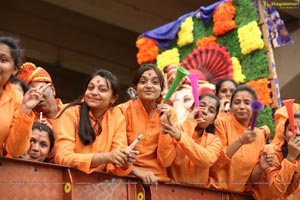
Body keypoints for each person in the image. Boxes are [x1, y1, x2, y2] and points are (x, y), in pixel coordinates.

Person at [53, 69, 138, 175]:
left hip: (98, 186)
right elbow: (63, 157)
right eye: (90, 88)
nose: (94, 92)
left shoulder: (117, 118)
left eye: (102, 90)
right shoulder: (69, 113)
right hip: (65, 181)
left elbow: (113, 166)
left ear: (114, 98)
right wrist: (105, 157)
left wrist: (124, 161)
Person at [209, 85, 273, 192]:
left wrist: (261, 167)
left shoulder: (259, 135)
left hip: (238, 194)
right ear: (231, 106)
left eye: (247, 103)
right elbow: (214, 163)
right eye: (237, 102)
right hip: (214, 191)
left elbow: (250, 179)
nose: (242, 107)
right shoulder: (221, 123)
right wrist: (240, 141)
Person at [116, 63, 173, 183]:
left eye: (155, 82)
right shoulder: (122, 111)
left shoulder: (169, 114)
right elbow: (115, 153)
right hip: (125, 176)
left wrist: (165, 128)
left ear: (162, 90)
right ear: (135, 87)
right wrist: (136, 171)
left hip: (158, 180)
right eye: (143, 82)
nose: (149, 86)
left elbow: (166, 161)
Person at [157, 93, 222, 186]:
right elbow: (165, 161)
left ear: (213, 120)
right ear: (191, 109)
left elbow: (206, 160)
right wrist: (189, 122)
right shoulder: (176, 129)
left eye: (211, 110)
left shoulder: (214, 140)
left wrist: (181, 137)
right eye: (202, 106)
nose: (205, 111)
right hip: (172, 193)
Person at [0, 36, 48, 157]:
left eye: (3, 60)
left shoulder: (17, 100)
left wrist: (25, 109)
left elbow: (15, 150)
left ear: (15, 70)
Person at [250, 113, 300, 199]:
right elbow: (277, 190)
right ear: (284, 135)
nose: (298, 133)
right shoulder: (272, 151)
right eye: (291, 129)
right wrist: (290, 158)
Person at [18, 62, 63, 127]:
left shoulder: (72, 112)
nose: (38, 94)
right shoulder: (29, 123)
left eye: (41, 88)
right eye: (32, 92)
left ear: (53, 90)